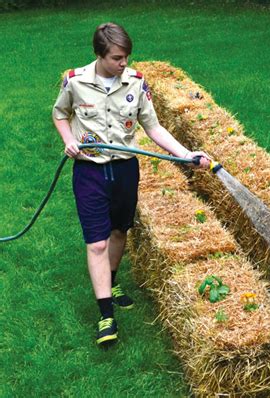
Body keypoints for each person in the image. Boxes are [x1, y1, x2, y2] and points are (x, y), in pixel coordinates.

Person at [52, 22, 210, 346]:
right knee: (96, 242)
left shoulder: (136, 83)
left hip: (125, 170)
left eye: (126, 57)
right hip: (90, 171)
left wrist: (185, 154)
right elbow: (59, 114)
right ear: (99, 55)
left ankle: (111, 280)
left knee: (119, 231)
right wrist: (69, 139)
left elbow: (153, 127)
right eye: (117, 58)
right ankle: (105, 314)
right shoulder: (75, 82)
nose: (124, 63)